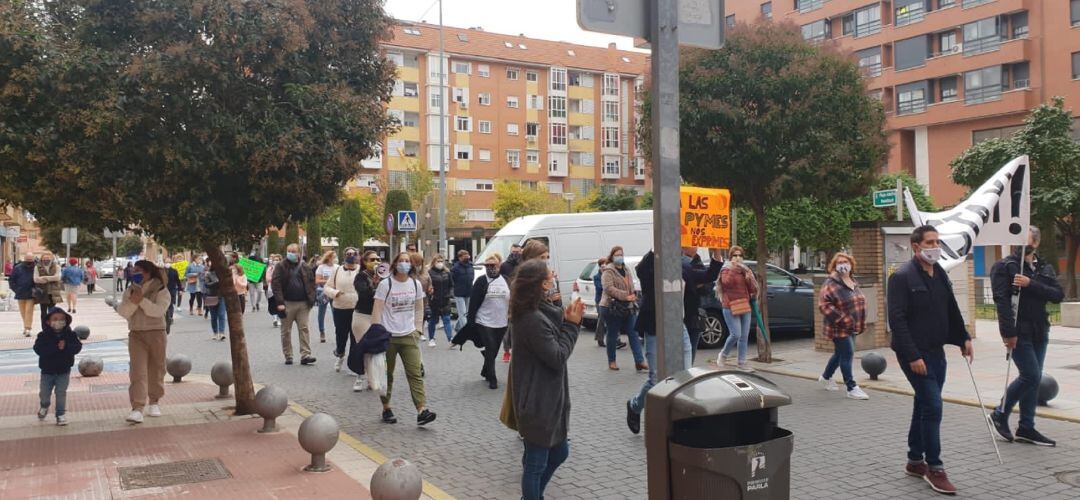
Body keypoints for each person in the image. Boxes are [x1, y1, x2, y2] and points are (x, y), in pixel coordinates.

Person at [888, 225, 973, 495]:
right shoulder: (901, 277)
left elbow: (951, 308)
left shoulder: (940, 273)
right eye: (929, 242)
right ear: (916, 246)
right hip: (914, 354)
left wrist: (964, 338)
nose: (934, 246)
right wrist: (912, 355)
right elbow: (897, 320)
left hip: (937, 352)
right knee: (933, 406)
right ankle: (935, 468)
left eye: (937, 242)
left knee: (923, 403)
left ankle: (914, 461)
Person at [509, 259, 584, 500]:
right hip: (538, 403)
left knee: (559, 452)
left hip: (550, 400)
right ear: (541, 284)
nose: (554, 278)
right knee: (535, 464)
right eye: (550, 276)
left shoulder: (542, 312)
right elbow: (557, 356)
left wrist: (567, 320)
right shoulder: (531, 319)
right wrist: (572, 326)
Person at [988, 226, 1064, 446]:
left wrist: (1031, 284)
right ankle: (1000, 414)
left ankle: (1026, 427)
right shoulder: (1004, 267)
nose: (1021, 245)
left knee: (1034, 378)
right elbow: (1001, 301)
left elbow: (1058, 295)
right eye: (1017, 241)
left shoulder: (1044, 268)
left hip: (1040, 329)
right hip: (1018, 331)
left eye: (1026, 241)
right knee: (1030, 375)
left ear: (1036, 243)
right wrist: (1007, 333)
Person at [372, 252, 436, 425]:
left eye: (407, 261)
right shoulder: (386, 284)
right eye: (401, 261)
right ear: (395, 263)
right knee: (387, 375)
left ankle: (421, 410)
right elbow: (377, 309)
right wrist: (378, 332)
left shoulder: (415, 284)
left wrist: (418, 330)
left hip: (409, 335)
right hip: (388, 336)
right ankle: (386, 407)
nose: (404, 264)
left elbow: (419, 309)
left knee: (415, 373)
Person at [117, 260, 172, 424]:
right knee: (137, 371)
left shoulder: (161, 289)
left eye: (139, 270)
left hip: (156, 333)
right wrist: (135, 301)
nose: (136, 273)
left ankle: (154, 401)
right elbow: (123, 311)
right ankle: (137, 408)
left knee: (157, 368)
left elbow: (158, 311)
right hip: (136, 334)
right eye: (134, 270)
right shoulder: (131, 290)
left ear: (148, 271)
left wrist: (141, 300)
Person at [817, 252, 870, 400]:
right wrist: (844, 319)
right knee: (847, 354)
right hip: (838, 327)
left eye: (845, 262)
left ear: (851, 264)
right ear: (834, 266)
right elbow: (824, 305)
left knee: (840, 354)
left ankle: (826, 377)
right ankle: (851, 387)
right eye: (839, 262)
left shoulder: (852, 280)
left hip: (852, 326)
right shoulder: (831, 283)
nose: (843, 265)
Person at [458, 254, 510, 389]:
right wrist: (471, 322)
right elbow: (474, 302)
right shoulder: (481, 281)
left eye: (494, 265)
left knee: (493, 350)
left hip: (502, 322)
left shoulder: (506, 280)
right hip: (484, 321)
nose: (491, 268)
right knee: (491, 347)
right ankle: (493, 378)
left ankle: (485, 370)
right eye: (488, 266)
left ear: (500, 265)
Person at [600, 246, 646, 372]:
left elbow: (630, 286)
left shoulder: (626, 269)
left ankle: (639, 361)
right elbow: (608, 288)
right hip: (612, 307)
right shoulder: (608, 271)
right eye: (617, 255)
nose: (620, 257)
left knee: (633, 333)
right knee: (613, 334)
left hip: (628, 307)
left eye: (621, 254)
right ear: (612, 256)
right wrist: (625, 296)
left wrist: (633, 296)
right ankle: (612, 361)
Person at [33, 307, 82, 426]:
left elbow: (77, 347)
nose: (58, 321)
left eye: (61, 319)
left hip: (63, 370)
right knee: (44, 393)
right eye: (55, 319)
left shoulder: (70, 335)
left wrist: (66, 347)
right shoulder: (43, 335)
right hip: (47, 371)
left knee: (61, 392)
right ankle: (44, 405)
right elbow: (38, 349)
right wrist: (55, 347)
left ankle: (60, 414)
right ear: (48, 322)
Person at [272, 244, 317, 365]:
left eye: (293, 251)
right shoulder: (281, 266)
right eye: (289, 251)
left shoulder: (304, 266)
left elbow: (312, 282)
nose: (291, 253)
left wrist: (311, 299)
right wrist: (280, 302)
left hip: (303, 303)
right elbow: (276, 285)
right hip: (287, 303)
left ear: (298, 253)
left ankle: (305, 355)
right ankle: (288, 355)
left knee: (304, 329)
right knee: (286, 331)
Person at [717, 246, 758, 372]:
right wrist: (734, 269)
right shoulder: (726, 269)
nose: (738, 258)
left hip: (744, 304)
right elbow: (726, 283)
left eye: (740, 255)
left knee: (744, 336)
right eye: (735, 255)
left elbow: (753, 289)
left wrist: (749, 278)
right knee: (736, 334)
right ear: (730, 257)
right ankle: (723, 354)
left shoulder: (745, 270)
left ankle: (741, 363)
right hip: (730, 305)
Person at [324, 247, 361, 373]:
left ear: (358, 256)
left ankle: (353, 364)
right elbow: (327, 287)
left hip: (357, 309)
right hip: (340, 307)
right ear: (344, 256)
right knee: (341, 334)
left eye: (354, 254)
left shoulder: (361, 270)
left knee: (355, 337)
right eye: (348, 254)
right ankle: (340, 354)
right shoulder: (337, 270)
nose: (351, 256)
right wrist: (335, 293)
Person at [683, 248, 723, 363]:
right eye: (691, 243)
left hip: (693, 313)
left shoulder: (697, 262)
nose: (694, 246)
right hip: (680, 314)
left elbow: (709, 282)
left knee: (689, 353)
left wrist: (698, 285)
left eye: (695, 244)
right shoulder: (681, 263)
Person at [352, 250, 382, 391]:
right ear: (365, 262)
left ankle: (373, 379)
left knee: (375, 350)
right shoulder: (360, 277)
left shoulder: (384, 276)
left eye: (378, 259)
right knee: (364, 348)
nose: (376, 262)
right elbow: (364, 294)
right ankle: (360, 376)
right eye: (372, 259)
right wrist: (374, 284)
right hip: (362, 316)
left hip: (377, 316)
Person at [426, 254, 454, 347]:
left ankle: (450, 339)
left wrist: (450, 294)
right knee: (433, 320)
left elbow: (451, 285)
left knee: (447, 319)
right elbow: (427, 286)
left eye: (441, 261)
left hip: (445, 300)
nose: (440, 263)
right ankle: (431, 339)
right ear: (434, 262)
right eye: (438, 261)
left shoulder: (447, 272)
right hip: (434, 300)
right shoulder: (429, 273)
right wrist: (430, 292)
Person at [33, 252, 63, 329]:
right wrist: (51, 278)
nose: (46, 260)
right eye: (45, 258)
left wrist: (44, 278)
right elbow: (35, 279)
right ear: (42, 258)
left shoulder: (57, 267)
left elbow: (57, 277)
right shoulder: (37, 267)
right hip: (42, 292)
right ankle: (44, 328)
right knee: (43, 312)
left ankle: (52, 328)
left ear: (51, 258)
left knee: (52, 312)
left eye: (48, 258)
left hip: (53, 292)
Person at [9, 253, 37, 337]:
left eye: (30, 260)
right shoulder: (18, 268)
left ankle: (27, 328)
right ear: (24, 259)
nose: (29, 261)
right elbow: (12, 280)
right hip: (20, 292)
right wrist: (16, 289)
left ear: (33, 259)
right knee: (23, 311)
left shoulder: (36, 268)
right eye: (27, 259)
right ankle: (25, 326)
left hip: (31, 293)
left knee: (29, 310)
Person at [315, 251, 337, 344]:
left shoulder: (337, 267)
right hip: (323, 291)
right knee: (321, 312)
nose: (335, 259)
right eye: (334, 257)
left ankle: (338, 331)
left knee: (336, 313)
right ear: (329, 258)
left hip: (333, 292)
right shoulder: (321, 267)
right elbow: (317, 280)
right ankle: (322, 331)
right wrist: (328, 281)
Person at [451, 249, 474, 332]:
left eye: (467, 255)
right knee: (463, 312)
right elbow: (452, 279)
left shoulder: (471, 265)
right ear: (460, 257)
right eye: (464, 255)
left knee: (466, 312)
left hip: (469, 292)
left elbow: (472, 277)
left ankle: (457, 327)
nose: (467, 257)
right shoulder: (455, 268)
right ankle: (466, 330)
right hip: (459, 293)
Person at [203, 259, 226, 341]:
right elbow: (206, 284)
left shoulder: (223, 274)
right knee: (213, 316)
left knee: (222, 314)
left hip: (221, 296)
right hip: (211, 296)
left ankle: (222, 332)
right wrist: (216, 283)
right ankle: (215, 332)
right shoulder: (208, 274)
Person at [164, 258, 180, 335]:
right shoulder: (161, 271)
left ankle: (170, 317)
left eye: (169, 262)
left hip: (172, 290)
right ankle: (166, 317)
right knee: (165, 305)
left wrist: (180, 289)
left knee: (170, 304)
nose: (168, 263)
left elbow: (178, 280)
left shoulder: (174, 271)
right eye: (166, 262)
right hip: (163, 291)